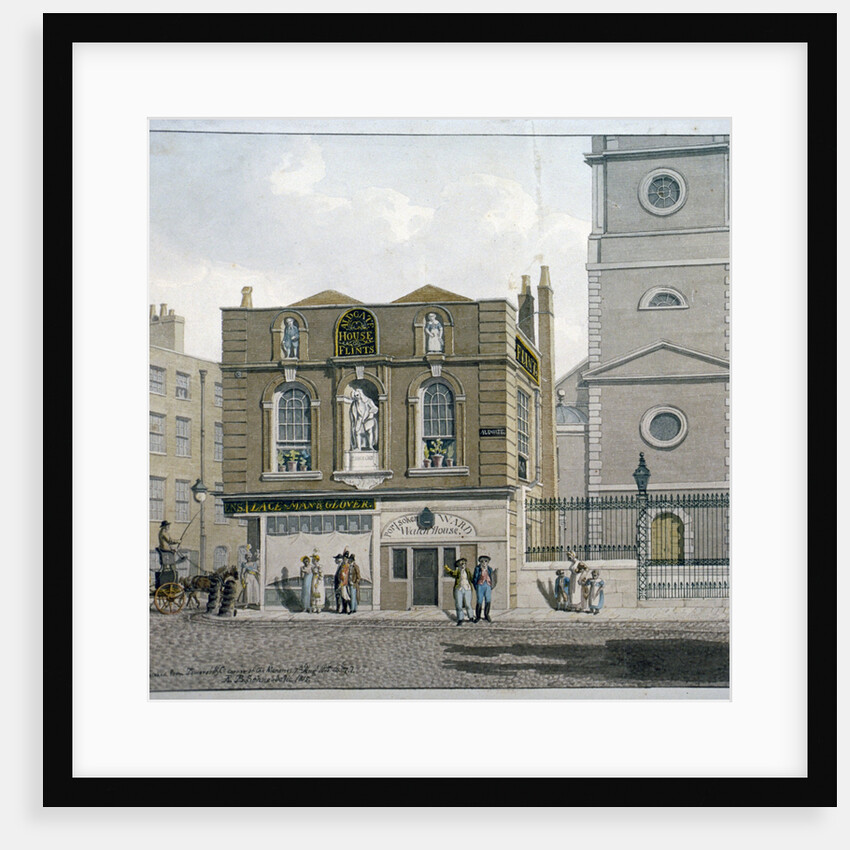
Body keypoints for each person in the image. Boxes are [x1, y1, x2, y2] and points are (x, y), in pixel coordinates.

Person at [444, 557, 475, 625]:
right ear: (458, 565)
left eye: (464, 564)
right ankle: (460, 619)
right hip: (459, 589)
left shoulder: (467, 571)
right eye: (461, 564)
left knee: (468, 604)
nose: (462, 565)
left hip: (467, 589)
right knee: (459, 605)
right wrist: (447, 568)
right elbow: (452, 573)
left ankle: (471, 617)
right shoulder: (457, 571)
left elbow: (472, 578)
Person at [472, 555, 494, 622]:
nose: (484, 563)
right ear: (480, 562)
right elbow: (474, 578)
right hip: (480, 585)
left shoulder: (490, 569)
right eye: (482, 561)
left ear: (488, 562)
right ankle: (478, 616)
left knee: (488, 600)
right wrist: (476, 586)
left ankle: (486, 615)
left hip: (487, 585)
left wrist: (491, 585)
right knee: (479, 600)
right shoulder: (477, 569)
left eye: (485, 561)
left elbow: (492, 577)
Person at [240, 544, 261, 608]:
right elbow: (242, 573)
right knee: (248, 589)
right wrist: (243, 580)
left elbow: (257, 570)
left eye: (250, 557)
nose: (249, 558)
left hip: (253, 577)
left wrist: (257, 572)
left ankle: (256, 602)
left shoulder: (254, 563)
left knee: (255, 588)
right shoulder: (245, 564)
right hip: (248, 577)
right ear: (246, 558)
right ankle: (247, 603)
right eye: (247, 557)